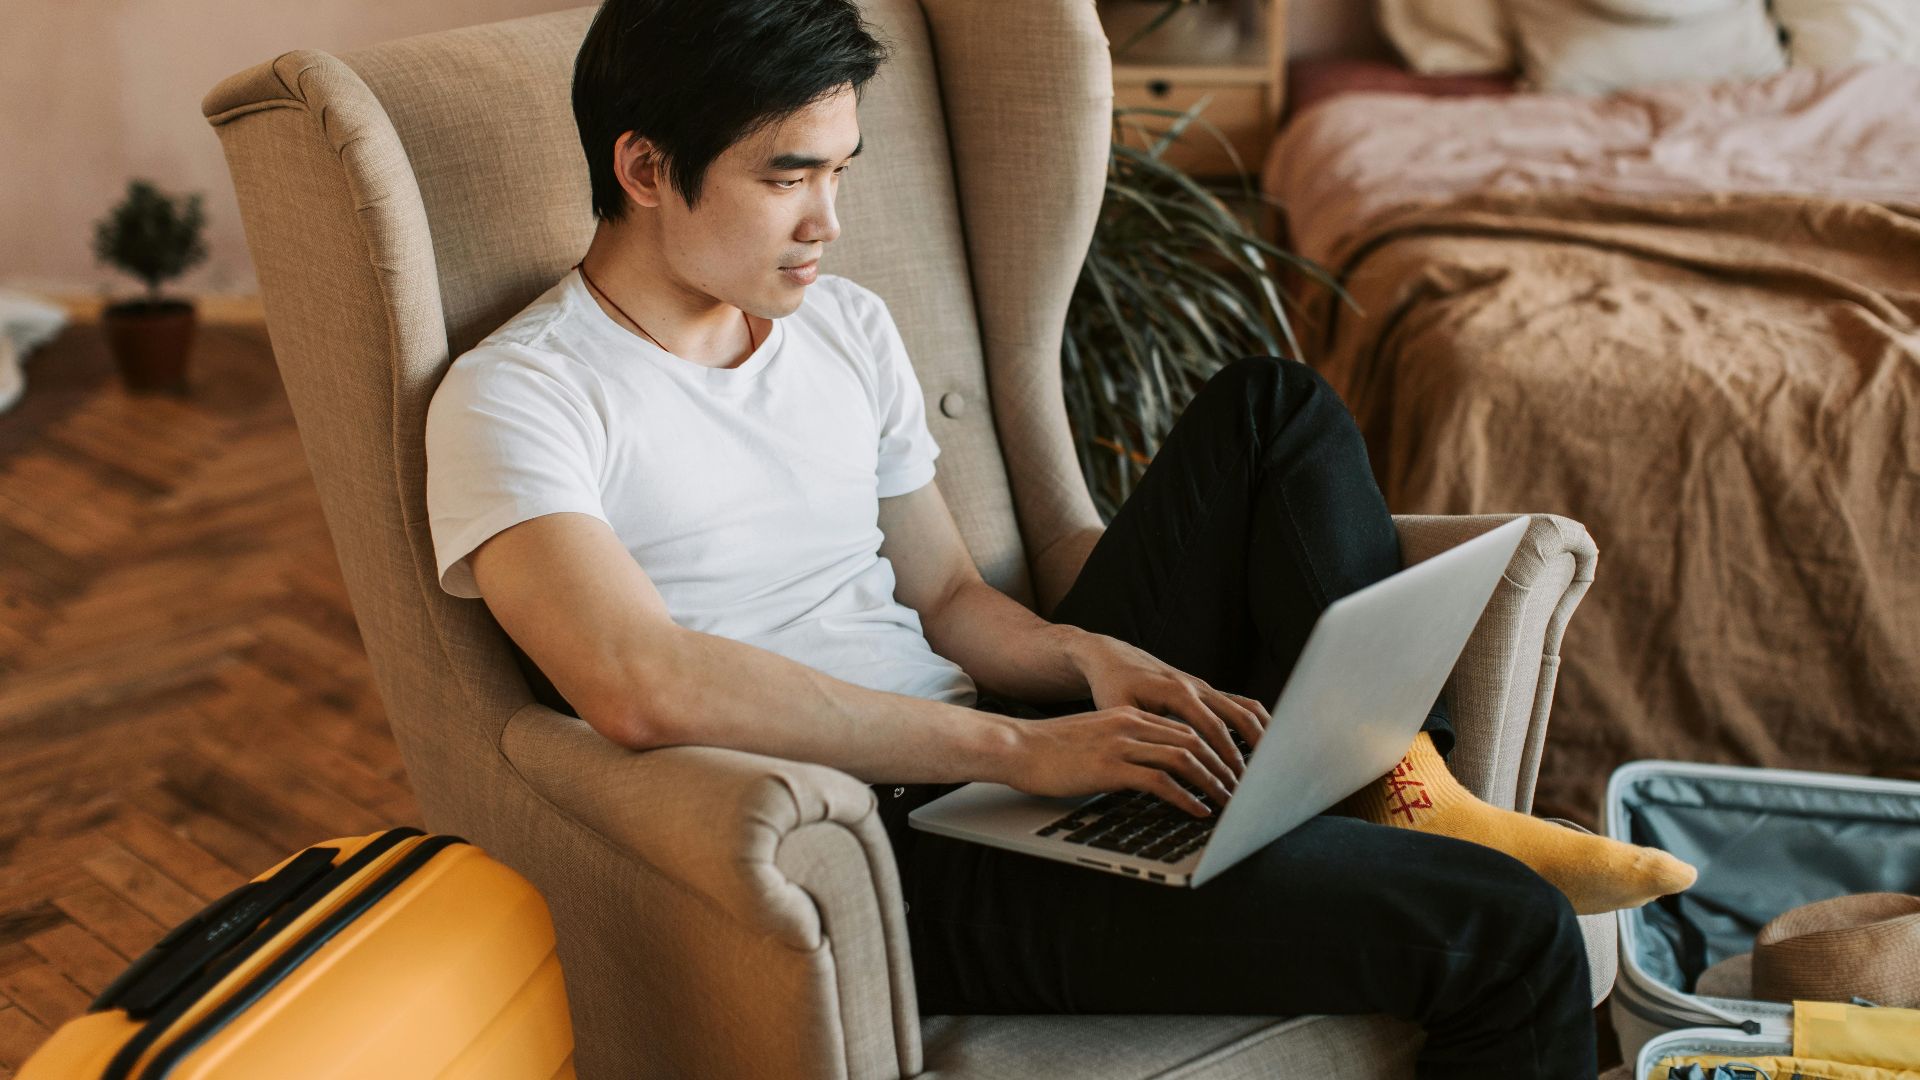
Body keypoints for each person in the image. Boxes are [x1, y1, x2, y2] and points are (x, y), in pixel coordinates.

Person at [423, 1, 1697, 1074]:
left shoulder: (845, 326)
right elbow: (637, 684)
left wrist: (1088, 663)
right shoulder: (523, 393)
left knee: (1272, 408)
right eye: (787, 175)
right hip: (875, 848)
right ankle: (1375, 820)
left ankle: (1405, 789)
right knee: (1511, 931)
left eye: (842, 170)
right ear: (645, 169)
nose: (830, 222)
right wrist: (1020, 751)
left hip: (986, 749)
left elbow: (947, 596)